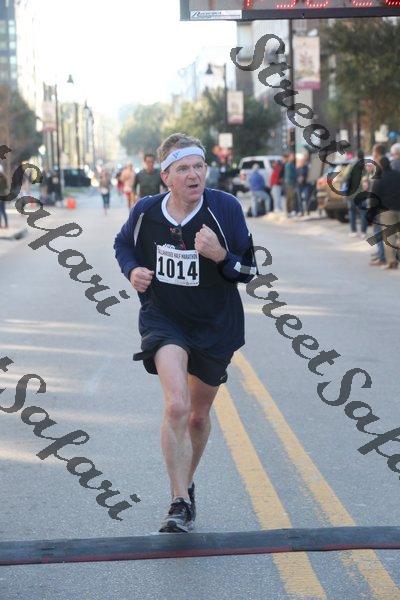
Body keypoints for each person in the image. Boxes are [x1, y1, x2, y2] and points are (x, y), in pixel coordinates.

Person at [114, 133, 257, 533]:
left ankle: (186, 484)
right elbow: (123, 244)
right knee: (176, 405)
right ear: (166, 177)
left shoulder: (225, 208)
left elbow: (249, 271)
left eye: (198, 167)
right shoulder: (146, 212)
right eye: (183, 169)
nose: (194, 175)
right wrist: (132, 270)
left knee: (197, 416)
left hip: (215, 324)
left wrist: (219, 255)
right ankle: (178, 501)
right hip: (165, 319)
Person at [371, 156, 400, 269]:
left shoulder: (379, 178)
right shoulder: (398, 175)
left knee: (389, 237)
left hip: (386, 211)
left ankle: (392, 261)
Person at [343, 149, 369, 239]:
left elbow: (345, 178)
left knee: (352, 212)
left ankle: (353, 231)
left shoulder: (351, 165)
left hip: (352, 193)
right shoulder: (365, 166)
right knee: (363, 212)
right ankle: (363, 232)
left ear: (356, 155)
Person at [369, 144, 387, 267]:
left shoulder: (381, 168)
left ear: (377, 154)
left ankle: (382, 257)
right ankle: (382, 254)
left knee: (379, 232)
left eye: (374, 154)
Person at [283, 152, 296, 217]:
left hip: (289, 183)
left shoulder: (290, 164)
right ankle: (291, 211)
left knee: (289, 197)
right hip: (290, 183)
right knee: (291, 197)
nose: (293, 158)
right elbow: (289, 175)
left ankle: (289, 211)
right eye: (292, 156)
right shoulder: (289, 165)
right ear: (289, 157)